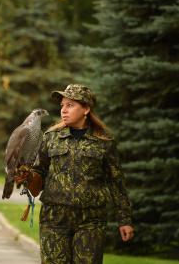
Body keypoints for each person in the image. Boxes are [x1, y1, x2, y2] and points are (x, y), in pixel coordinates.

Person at [34, 84, 134, 264]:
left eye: (70, 105)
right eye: (62, 105)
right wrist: (27, 178)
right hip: (55, 218)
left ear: (86, 109)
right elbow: (38, 174)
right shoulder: (50, 137)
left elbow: (116, 182)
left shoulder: (104, 141)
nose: (63, 110)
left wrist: (124, 219)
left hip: (91, 221)